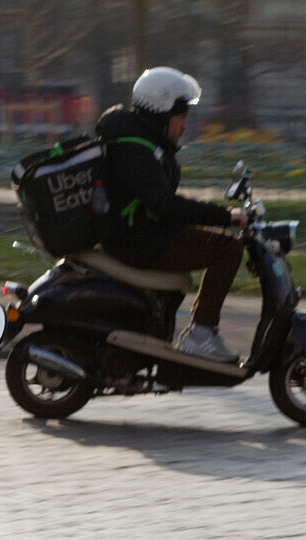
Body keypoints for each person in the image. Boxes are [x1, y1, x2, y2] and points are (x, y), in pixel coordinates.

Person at [95, 66, 249, 362]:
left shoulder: (144, 142)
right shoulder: (135, 148)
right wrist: (225, 216)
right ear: (160, 116)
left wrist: (222, 217)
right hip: (136, 242)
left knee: (214, 242)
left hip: (142, 235)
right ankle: (202, 335)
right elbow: (164, 205)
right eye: (181, 117)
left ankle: (173, 335)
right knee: (226, 249)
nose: (184, 126)